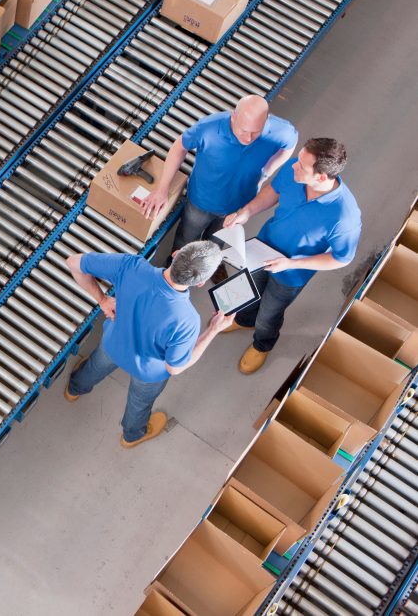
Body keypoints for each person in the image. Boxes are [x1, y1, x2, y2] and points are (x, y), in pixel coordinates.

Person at [63, 241, 234, 448]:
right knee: (139, 403)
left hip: (114, 344)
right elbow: (175, 367)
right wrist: (213, 330)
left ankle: (75, 389)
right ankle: (131, 436)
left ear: (176, 253)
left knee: (94, 366)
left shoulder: (131, 266)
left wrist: (102, 300)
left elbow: (73, 263)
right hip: (148, 372)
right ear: (200, 282)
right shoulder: (187, 320)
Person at [222, 137, 362, 374]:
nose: (293, 165)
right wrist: (246, 212)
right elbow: (273, 192)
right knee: (247, 289)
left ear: (320, 177)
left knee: (269, 313)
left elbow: (342, 258)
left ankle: (262, 343)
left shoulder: (344, 217)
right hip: (261, 247)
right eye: (298, 160)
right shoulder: (294, 170)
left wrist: (291, 263)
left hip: (291, 273)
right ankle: (244, 320)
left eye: (301, 166)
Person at [140, 95, 298, 254]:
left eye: (256, 131)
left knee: (216, 243)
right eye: (243, 130)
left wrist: (266, 173)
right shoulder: (209, 128)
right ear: (233, 116)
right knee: (186, 240)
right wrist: (162, 190)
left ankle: (209, 265)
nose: (249, 138)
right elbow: (179, 147)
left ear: (266, 120)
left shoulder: (280, 131)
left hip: (238, 207)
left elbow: (290, 145)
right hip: (200, 202)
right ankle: (177, 269)